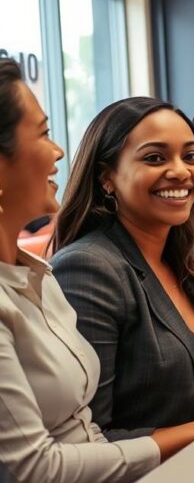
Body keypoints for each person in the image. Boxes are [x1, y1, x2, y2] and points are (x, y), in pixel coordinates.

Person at [48, 97, 194, 456]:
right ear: (107, 178)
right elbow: (88, 441)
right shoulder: (88, 268)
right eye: (154, 158)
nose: (180, 171)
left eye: (190, 156)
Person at [0, 60, 162, 482]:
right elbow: (35, 468)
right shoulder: (83, 262)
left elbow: (87, 429)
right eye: (43, 133)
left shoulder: (37, 274)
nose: (58, 152)